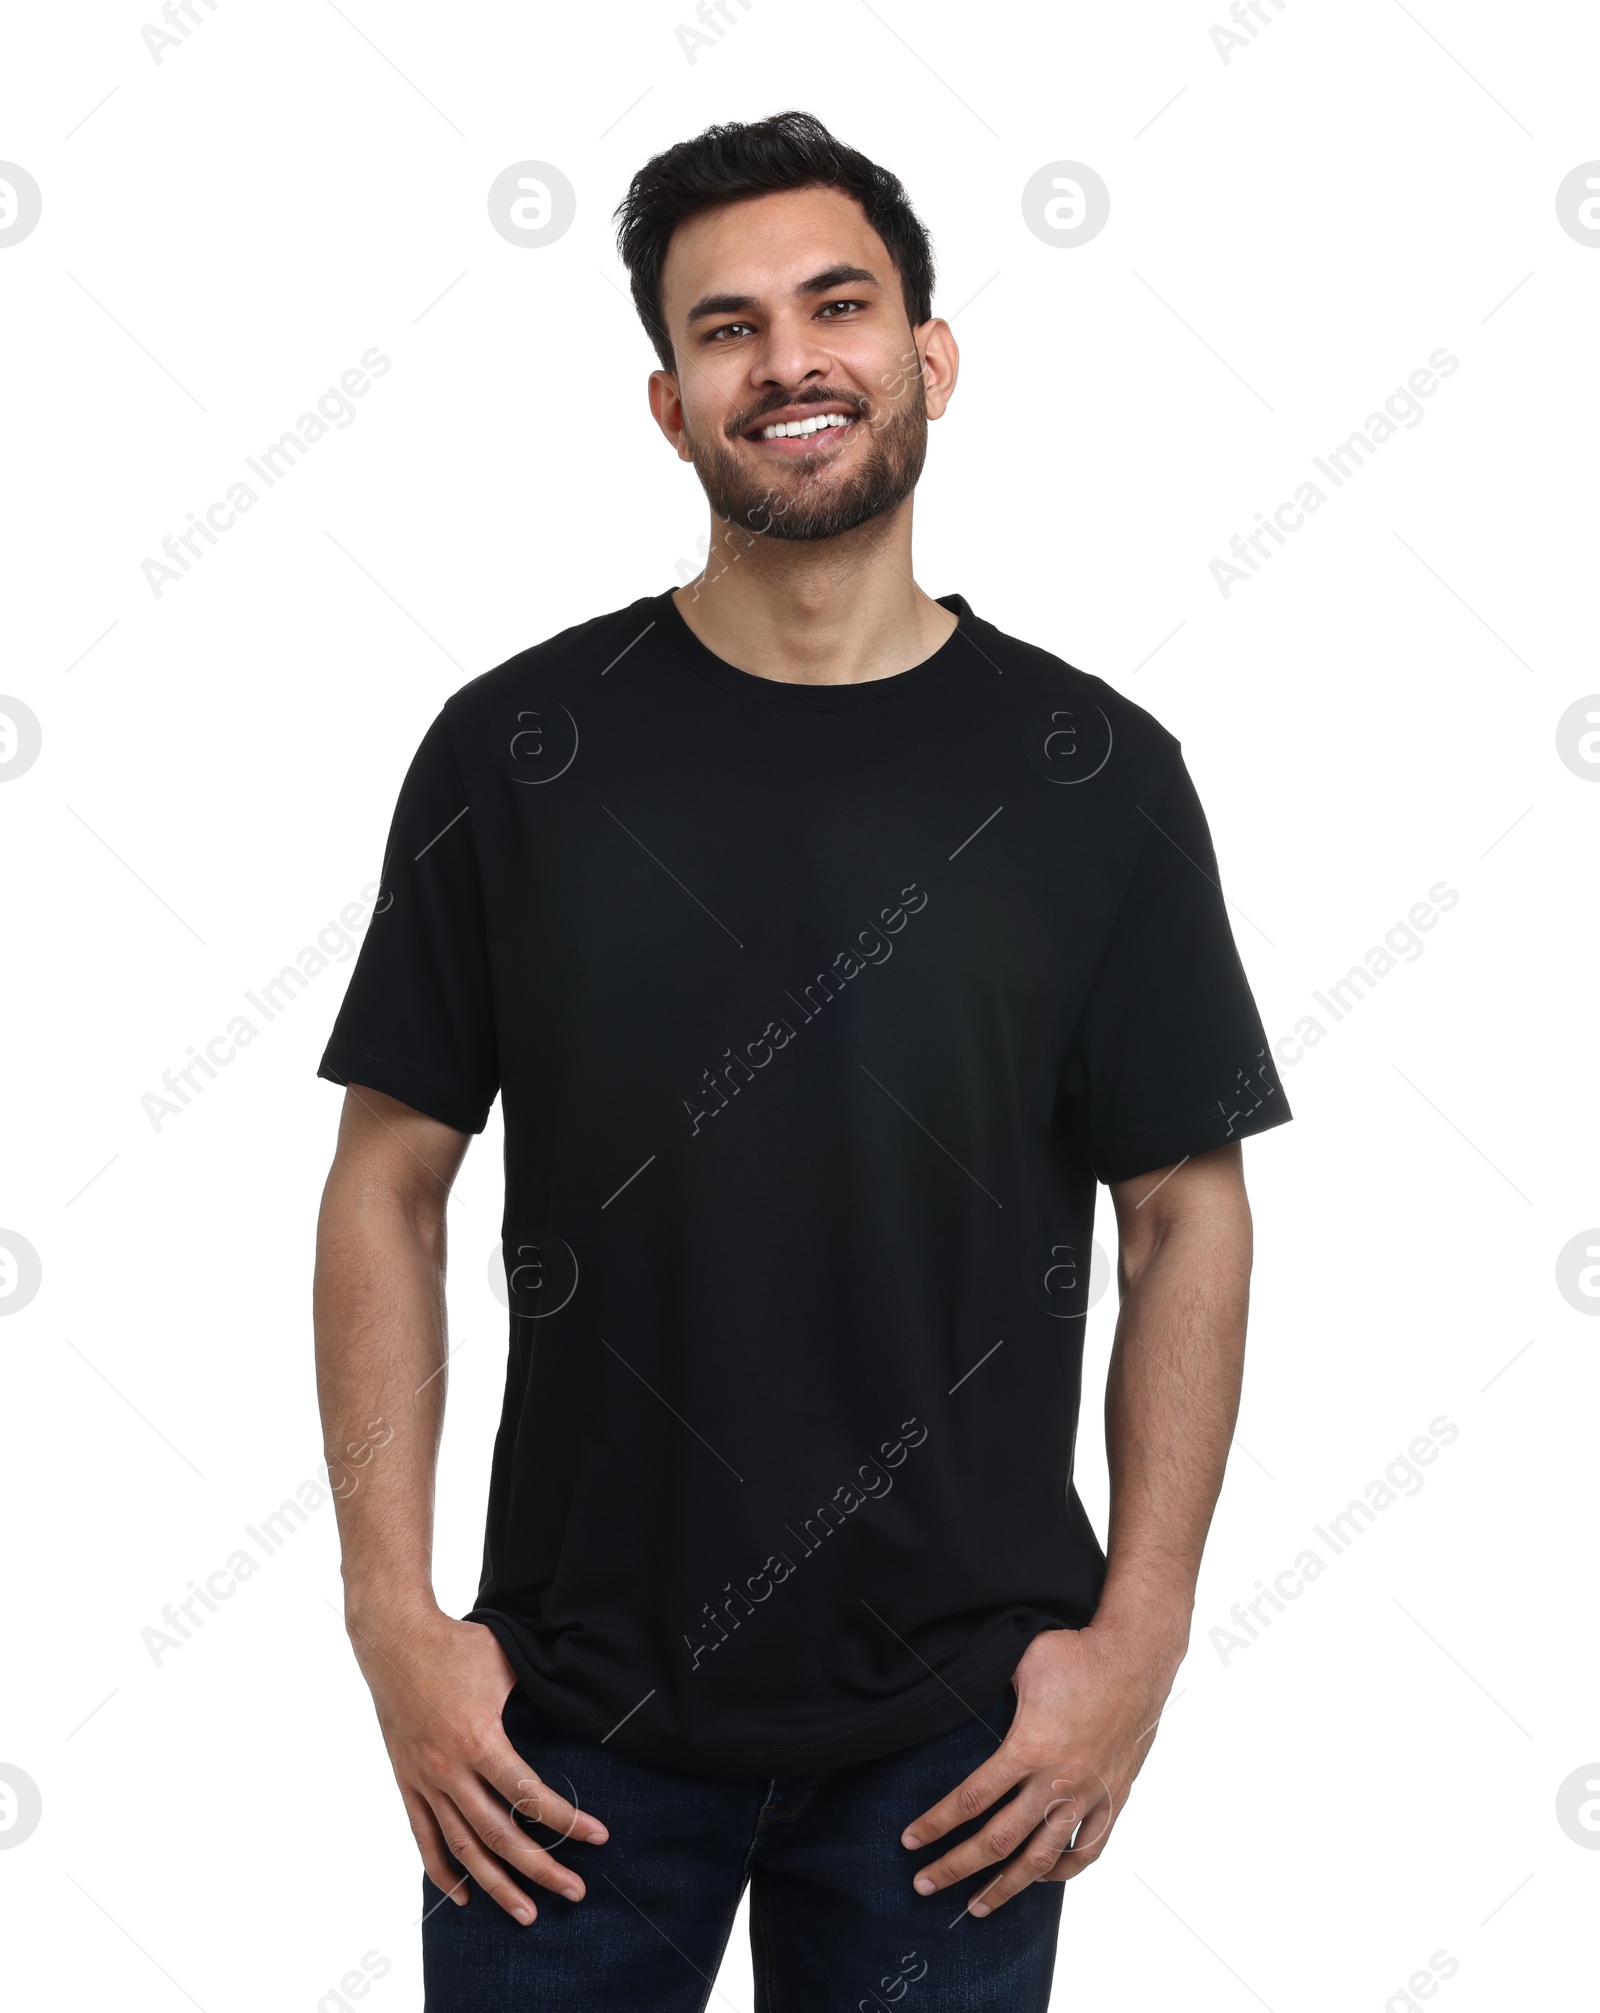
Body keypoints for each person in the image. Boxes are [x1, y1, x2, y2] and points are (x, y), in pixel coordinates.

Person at [312, 108, 1292, 2012]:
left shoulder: (1093, 776)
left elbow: (1186, 1209)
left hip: (963, 1740)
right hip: (562, 1733)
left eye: (836, 307)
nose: (789, 361)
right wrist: (391, 1621)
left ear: (930, 357)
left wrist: (1143, 1633)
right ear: (670, 403)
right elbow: (387, 1180)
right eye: (728, 328)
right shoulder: (518, 752)